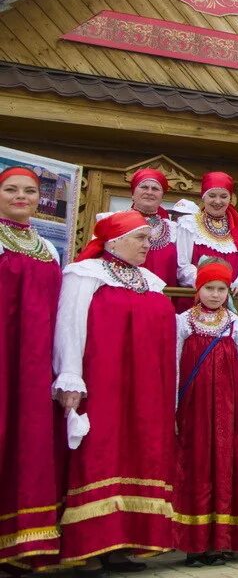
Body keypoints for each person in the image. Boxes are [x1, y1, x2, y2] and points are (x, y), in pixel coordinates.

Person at [53, 210, 177, 570]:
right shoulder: (84, 275)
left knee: (140, 453)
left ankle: (125, 541)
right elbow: (70, 325)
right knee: (100, 452)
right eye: (140, 238)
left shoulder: (151, 281)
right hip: (102, 380)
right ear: (114, 240)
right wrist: (70, 376)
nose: (147, 245)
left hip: (147, 386)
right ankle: (90, 546)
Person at [0, 166, 62, 568]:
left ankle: (20, 546)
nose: (21, 196)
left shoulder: (47, 247)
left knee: (28, 441)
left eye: (29, 191)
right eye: (10, 190)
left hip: (36, 363)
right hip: (4, 354)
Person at [174, 259, 238, 564]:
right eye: (209, 288)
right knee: (195, 468)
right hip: (194, 411)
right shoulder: (182, 322)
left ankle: (219, 542)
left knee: (225, 468)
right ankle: (194, 544)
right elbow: (174, 368)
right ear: (198, 289)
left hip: (228, 412)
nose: (215, 294)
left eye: (221, 289)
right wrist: (173, 409)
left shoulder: (237, 325)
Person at [176, 172, 238, 307]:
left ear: (230, 198)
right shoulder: (189, 225)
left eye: (223, 196)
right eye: (212, 196)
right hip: (194, 300)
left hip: (229, 300)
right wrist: (207, 283)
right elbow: (182, 265)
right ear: (203, 197)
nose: (217, 201)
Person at [100, 167, 182, 290]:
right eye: (144, 187)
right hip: (121, 293)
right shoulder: (113, 221)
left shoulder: (175, 229)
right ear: (133, 193)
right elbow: (98, 258)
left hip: (163, 295)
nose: (149, 192)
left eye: (155, 189)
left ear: (162, 196)